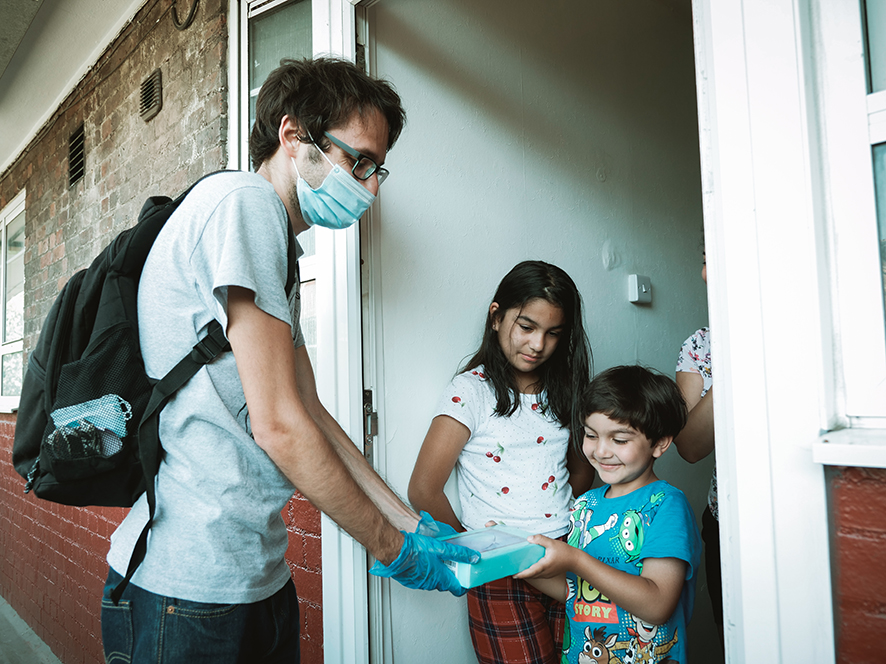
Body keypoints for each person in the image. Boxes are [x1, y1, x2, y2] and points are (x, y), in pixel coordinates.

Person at [100, 57, 476, 663]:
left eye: (379, 169)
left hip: (252, 576)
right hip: (190, 589)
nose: (371, 186)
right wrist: (387, 547)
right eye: (358, 161)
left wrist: (407, 522)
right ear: (293, 134)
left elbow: (311, 412)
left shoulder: (276, 237)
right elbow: (278, 425)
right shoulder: (244, 206)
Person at [408, 260, 595, 664]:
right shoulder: (470, 392)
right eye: (526, 327)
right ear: (497, 317)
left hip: (565, 553)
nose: (537, 344)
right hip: (499, 569)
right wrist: (473, 551)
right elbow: (423, 489)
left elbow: (582, 472)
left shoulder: (566, 391)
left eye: (553, 333)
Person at [516, 365, 701, 664]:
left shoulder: (665, 505)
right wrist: (515, 558)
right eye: (591, 435)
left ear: (659, 443)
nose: (601, 451)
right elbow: (575, 593)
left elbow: (657, 605)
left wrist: (575, 559)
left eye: (619, 440)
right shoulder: (585, 504)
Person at [673, 251, 721, 650]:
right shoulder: (700, 346)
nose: (705, 272)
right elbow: (689, 446)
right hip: (727, 523)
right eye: (703, 257)